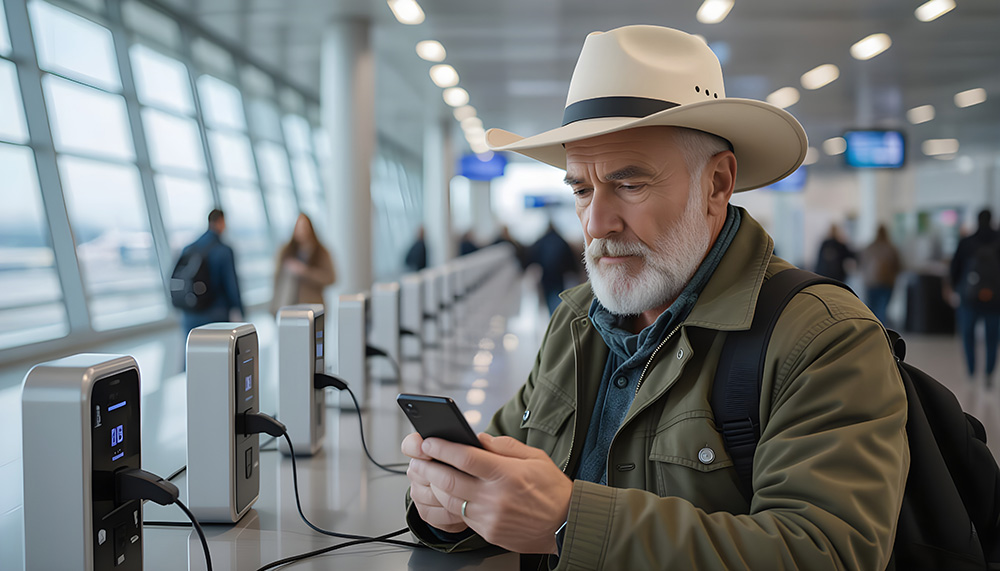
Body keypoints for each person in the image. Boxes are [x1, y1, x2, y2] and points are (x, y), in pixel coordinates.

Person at [400, 25, 907, 570]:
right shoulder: (577, 323)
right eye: (581, 189)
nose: (595, 222)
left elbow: (827, 553)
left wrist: (571, 522)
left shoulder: (822, 338)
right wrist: (446, 500)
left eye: (630, 184)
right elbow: (502, 468)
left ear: (716, 185)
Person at [949, 209, 1000, 383]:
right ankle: (989, 374)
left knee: (968, 335)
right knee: (992, 337)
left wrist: (955, 288)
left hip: (969, 297)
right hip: (995, 299)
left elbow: (954, 268)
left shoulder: (967, 242)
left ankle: (971, 372)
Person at [180, 209, 244, 338]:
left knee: (191, 353)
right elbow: (231, 284)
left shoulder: (189, 248)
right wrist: (240, 310)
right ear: (220, 222)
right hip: (215, 313)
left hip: (190, 313)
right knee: (219, 355)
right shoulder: (223, 250)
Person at [269, 213, 336, 315]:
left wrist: (305, 271)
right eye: (299, 227)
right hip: (288, 306)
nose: (301, 231)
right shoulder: (285, 251)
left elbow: (331, 278)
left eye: (304, 227)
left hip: (312, 308)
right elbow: (276, 279)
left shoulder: (321, 252)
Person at [529, 221, 576, 314]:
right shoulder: (561, 240)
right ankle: (558, 319)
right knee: (558, 300)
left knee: (550, 301)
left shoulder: (541, 241)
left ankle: (554, 319)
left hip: (546, 278)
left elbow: (532, 258)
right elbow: (569, 259)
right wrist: (574, 271)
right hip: (559, 278)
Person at [860, 224, 902, 325]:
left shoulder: (869, 247)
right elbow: (899, 266)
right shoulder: (891, 248)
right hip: (886, 282)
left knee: (871, 310)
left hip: (871, 282)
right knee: (882, 309)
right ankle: (882, 331)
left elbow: (862, 264)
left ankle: (871, 330)